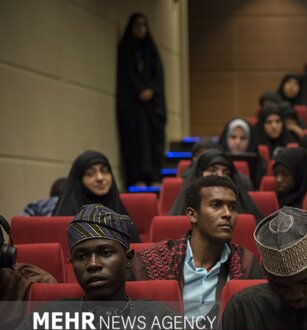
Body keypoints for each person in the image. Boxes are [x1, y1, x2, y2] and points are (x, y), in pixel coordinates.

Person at [6, 204, 183, 330]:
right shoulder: (47, 318)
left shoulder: (163, 321)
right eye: (81, 257)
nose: (92, 264)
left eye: (105, 253)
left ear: (127, 259)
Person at [130, 175, 261, 313]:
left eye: (233, 207)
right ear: (192, 214)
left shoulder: (245, 263)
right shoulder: (151, 262)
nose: (227, 214)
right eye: (216, 205)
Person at [116, 13, 166, 187]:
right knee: (136, 142)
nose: (140, 29)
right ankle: (137, 176)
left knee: (152, 140)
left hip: (152, 106)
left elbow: (158, 76)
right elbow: (125, 76)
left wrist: (150, 90)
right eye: (137, 25)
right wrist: (139, 90)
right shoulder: (126, 49)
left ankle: (154, 175)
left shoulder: (151, 49)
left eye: (144, 25)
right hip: (133, 105)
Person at [53, 151, 141, 242]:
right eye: (90, 173)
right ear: (79, 181)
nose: (100, 178)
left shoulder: (119, 211)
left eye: (105, 171)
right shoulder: (67, 216)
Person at [168, 149, 263, 220]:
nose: (220, 176)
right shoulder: (182, 211)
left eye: (226, 173)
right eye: (212, 171)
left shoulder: (244, 210)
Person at [218, 118, 267, 188]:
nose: (237, 142)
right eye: (233, 137)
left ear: (249, 140)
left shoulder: (260, 165)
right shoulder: (217, 161)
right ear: (226, 138)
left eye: (243, 138)